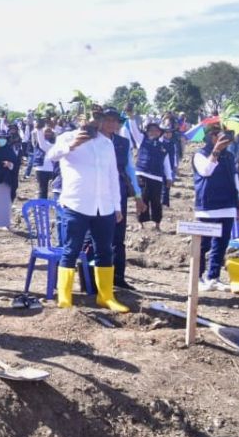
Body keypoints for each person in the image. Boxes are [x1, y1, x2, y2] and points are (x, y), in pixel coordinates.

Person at [46, 116, 130, 312]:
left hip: (104, 206)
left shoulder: (106, 143)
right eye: (90, 120)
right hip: (77, 204)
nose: (93, 124)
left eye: (97, 121)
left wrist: (117, 206)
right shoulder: (68, 137)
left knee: (105, 251)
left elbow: (112, 175)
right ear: (81, 120)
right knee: (71, 249)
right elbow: (51, 155)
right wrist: (74, 144)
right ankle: (65, 296)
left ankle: (106, 296)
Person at [192, 119, 239, 292]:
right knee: (203, 244)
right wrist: (215, 152)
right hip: (208, 205)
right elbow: (206, 171)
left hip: (228, 204)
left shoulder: (229, 155)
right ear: (209, 137)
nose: (220, 137)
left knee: (221, 244)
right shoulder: (200, 154)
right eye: (215, 134)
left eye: (221, 134)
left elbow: (235, 179)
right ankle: (196, 277)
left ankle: (213, 277)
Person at [99, 107, 141, 290]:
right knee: (96, 237)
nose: (111, 124)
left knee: (118, 237)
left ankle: (118, 277)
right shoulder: (92, 140)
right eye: (107, 119)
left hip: (119, 192)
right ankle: (93, 279)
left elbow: (130, 169)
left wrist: (138, 195)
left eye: (115, 120)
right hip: (97, 193)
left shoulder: (123, 143)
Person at [136, 121, 173, 230]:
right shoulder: (141, 141)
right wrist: (132, 117)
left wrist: (169, 177)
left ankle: (157, 223)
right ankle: (141, 222)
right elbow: (134, 130)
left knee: (156, 201)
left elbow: (166, 162)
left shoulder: (163, 147)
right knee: (142, 199)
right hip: (142, 174)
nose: (153, 132)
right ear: (147, 132)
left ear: (160, 133)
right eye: (151, 130)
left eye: (156, 131)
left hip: (157, 177)